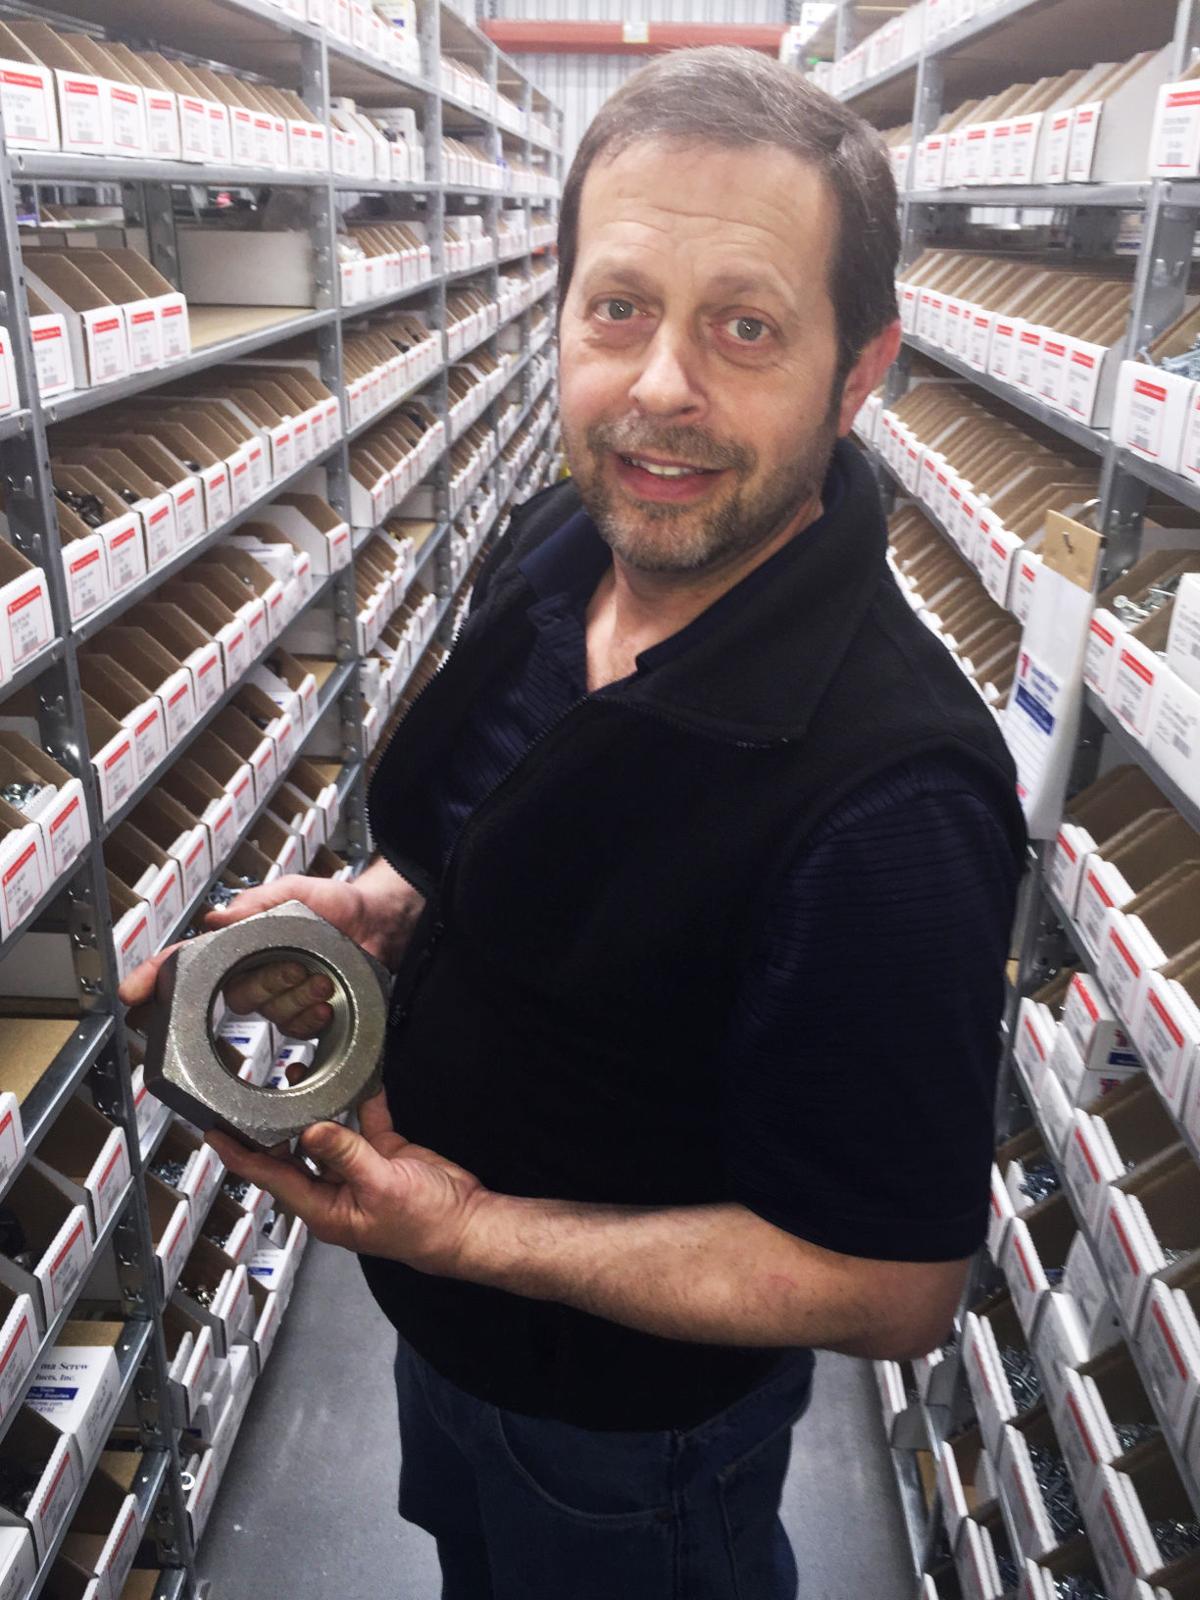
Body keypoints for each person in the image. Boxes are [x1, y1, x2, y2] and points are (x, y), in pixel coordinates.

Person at [122, 46, 1025, 1600]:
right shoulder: (565, 538)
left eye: (745, 326)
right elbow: (539, 813)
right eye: (619, 308)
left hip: (631, 1442)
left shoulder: (892, 800)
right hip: (448, 1343)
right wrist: (394, 900)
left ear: (859, 371)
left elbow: (893, 1286)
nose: (661, 386)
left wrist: (472, 1233)